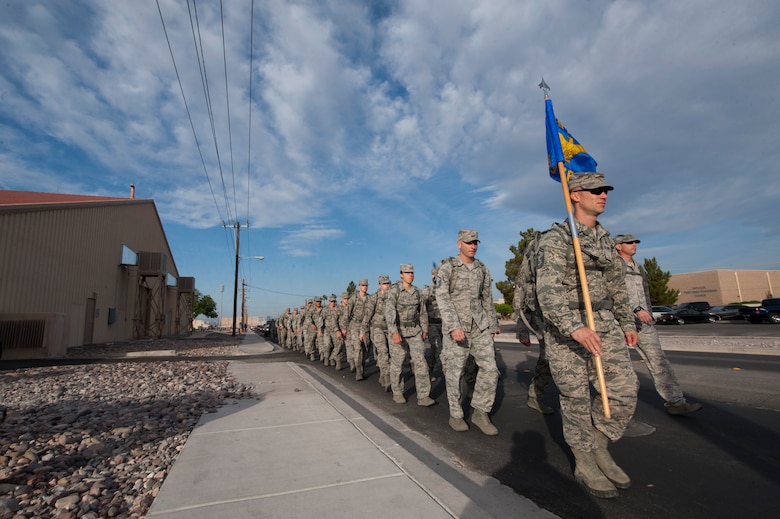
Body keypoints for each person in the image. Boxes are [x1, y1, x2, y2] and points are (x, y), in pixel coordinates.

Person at [535, 173, 639, 499]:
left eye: (605, 190)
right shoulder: (556, 238)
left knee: (624, 390)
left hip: (604, 324)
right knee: (576, 398)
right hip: (567, 330)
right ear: (576, 195)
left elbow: (617, 285)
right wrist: (573, 327)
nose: (603, 195)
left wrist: (627, 322)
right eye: (595, 190)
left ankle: (599, 442)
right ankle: (583, 460)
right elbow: (547, 292)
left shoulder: (606, 239)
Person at [614, 234, 703, 415]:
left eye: (635, 242)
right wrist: (636, 309)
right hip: (619, 322)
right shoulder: (613, 265)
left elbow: (645, 292)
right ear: (618, 246)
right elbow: (614, 292)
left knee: (659, 362)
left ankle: (675, 402)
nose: (634, 244)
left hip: (643, 324)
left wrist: (647, 311)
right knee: (618, 368)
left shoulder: (638, 266)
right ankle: (615, 410)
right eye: (629, 242)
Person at [435, 229, 500, 435]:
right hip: (458, 327)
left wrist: (491, 325)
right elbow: (442, 298)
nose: (473, 246)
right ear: (459, 244)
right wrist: (454, 326)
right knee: (455, 372)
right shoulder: (448, 268)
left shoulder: (482, 268)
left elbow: (487, 298)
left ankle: (480, 411)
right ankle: (456, 414)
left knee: (490, 369)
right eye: (468, 242)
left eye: (475, 242)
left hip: (479, 326)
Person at [513, 235, 554, 415]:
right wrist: (522, 331)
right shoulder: (532, 266)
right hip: (543, 317)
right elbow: (521, 296)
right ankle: (536, 395)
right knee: (549, 357)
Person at [384, 264, 435, 406]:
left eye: (412, 272)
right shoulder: (394, 291)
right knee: (398, 364)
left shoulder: (417, 292)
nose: (410, 275)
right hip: (399, 331)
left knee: (421, 363)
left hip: (414, 332)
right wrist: (394, 332)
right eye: (407, 272)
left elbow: (422, 312)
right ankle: (397, 392)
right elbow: (390, 313)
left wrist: (425, 329)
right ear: (401, 274)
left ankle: (423, 396)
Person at [362, 275, 393, 390]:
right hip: (377, 328)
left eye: (388, 283)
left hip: (390, 329)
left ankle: (383, 374)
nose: (387, 285)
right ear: (380, 285)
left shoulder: (393, 296)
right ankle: (387, 378)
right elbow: (368, 315)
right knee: (383, 352)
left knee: (391, 354)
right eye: (384, 284)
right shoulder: (374, 298)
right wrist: (363, 331)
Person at [422, 267, 444, 382]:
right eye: (436, 275)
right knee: (437, 348)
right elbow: (421, 310)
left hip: (445, 325)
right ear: (432, 276)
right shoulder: (427, 291)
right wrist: (423, 327)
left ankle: (431, 370)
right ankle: (432, 372)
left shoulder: (446, 290)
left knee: (441, 350)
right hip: (432, 324)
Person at [347, 279, 371, 381]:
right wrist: (345, 328)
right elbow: (347, 313)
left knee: (366, 349)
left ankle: (363, 369)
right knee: (358, 349)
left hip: (366, 326)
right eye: (362, 285)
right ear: (359, 286)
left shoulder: (370, 298)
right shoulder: (354, 298)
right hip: (355, 325)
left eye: (366, 285)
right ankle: (358, 371)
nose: (364, 287)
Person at [321, 295, 342, 367]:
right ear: (329, 302)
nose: (333, 302)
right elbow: (321, 319)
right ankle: (326, 357)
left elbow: (340, 319)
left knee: (338, 345)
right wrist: (320, 329)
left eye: (334, 301)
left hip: (335, 330)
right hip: (327, 329)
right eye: (331, 301)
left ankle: (332, 357)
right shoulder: (325, 309)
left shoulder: (338, 309)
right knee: (327, 345)